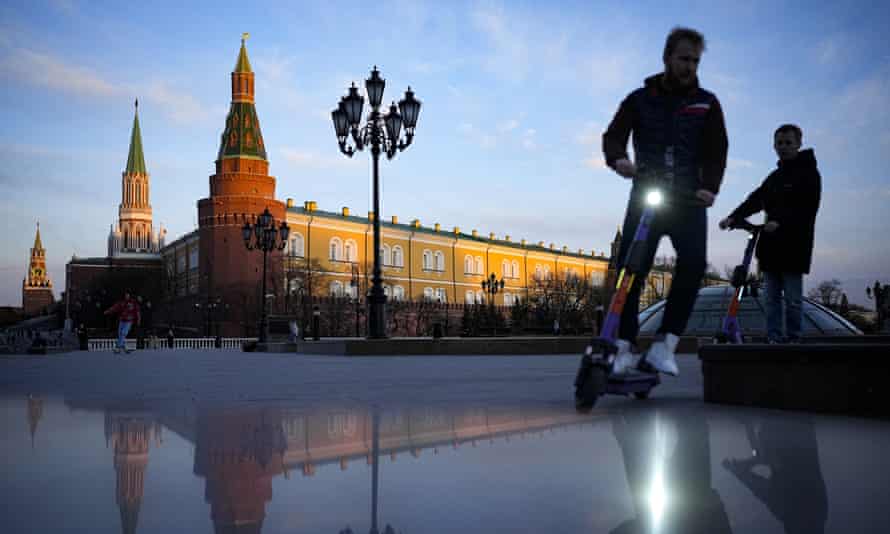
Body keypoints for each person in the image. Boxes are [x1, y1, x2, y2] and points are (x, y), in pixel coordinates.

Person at [603, 27, 728, 375]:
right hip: (646, 196)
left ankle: (665, 344)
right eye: (684, 58)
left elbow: (717, 150)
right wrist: (619, 159)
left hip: (688, 200)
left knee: (692, 266)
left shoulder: (706, 103)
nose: (690, 66)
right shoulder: (639, 99)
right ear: (667, 57)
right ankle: (624, 346)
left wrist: (710, 186)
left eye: (695, 60)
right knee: (630, 269)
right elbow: (614, 135)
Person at [719, 124, 821, 343]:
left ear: (798, 144)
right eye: (779, 143)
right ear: (774, 145)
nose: (783, 147)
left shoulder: (808, 173)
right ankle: (774, 338)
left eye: (788, 143)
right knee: (771, 298)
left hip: (794, 246)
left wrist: (780, 221)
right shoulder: (774, 177)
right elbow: (756, 199)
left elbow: (807, 207)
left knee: (792, 299)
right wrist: (733, 217)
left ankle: (794, 338)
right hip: (771, 246)